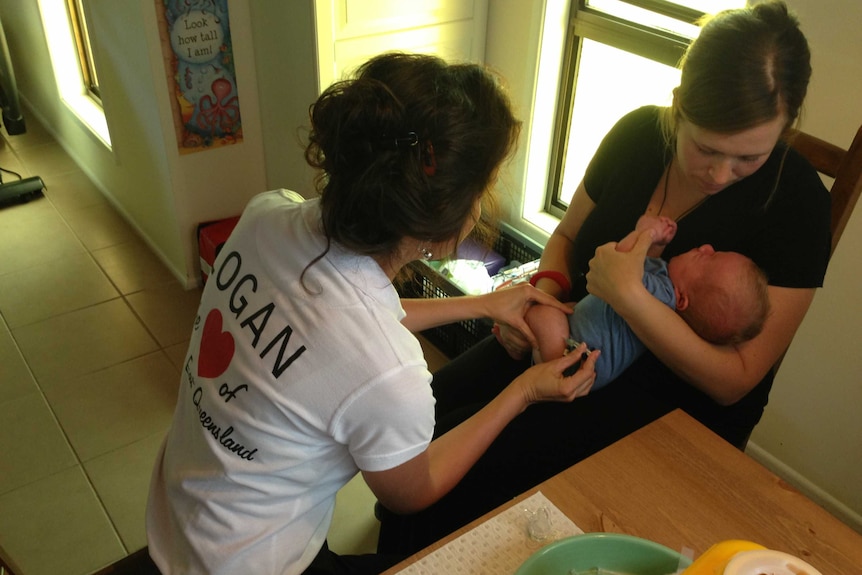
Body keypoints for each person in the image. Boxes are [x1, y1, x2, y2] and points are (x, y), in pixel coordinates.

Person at [376, 1, 830, 556]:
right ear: (679, 106)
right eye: (706, 148)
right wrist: (541, 300)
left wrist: (630, 296)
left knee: (475, 468)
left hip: (669, 407)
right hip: (573, 332)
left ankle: (415, 556)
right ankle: (399, 548)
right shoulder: (639, 135)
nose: (719, 174)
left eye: (747, 159)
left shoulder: (799, 203)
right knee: (422, 413)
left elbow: (735, 379)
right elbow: (566, 238)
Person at [145, 52, 600, 575]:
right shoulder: (391, 372)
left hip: (179, 511)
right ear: (448, 218)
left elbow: (342, 328)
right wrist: (524, 392)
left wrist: (481, 304)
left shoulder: (265, 215)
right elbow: (415, 488)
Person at [526, 214, 771, 389]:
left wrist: (645, 232)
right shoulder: (662, 284)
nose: (706, 247)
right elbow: (639, 266)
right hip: (579, 345)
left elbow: (619, 264)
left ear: (682, 299)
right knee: (560, 311)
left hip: (573, 363)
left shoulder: (662, 295)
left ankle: (541, 354)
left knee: (543, 311)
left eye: (707, 259)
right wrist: (656, 246)